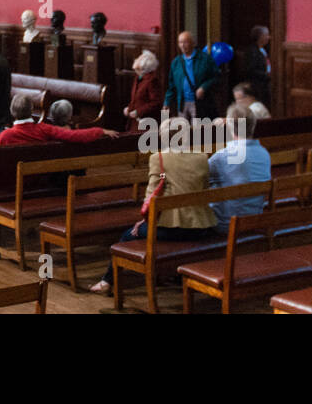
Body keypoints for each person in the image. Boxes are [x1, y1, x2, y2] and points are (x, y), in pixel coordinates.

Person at [90, 116, 217, 294]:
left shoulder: (159, 158)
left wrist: (143, 221)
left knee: (127, 236)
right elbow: (203, 189)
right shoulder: (202, 157)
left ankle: (106, 282)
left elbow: (151, 196)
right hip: (200, 226)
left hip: (174, 228)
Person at [0, 97, 115, 193]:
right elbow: (75, 136)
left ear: (12, 112)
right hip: (33, 182)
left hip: (6, 185)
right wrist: (100, 131)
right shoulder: (44, 129)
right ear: (31, 111)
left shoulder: (6, 136)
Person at [208, 104, 271, 225]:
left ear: (229, 128)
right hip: (255, 219)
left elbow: (198, 180)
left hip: (225, 223)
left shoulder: (222, 157)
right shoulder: (264, 153)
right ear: (253, 125)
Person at [163, 31, 219, 120]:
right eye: (180, 42)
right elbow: (171, 86)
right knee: (183, 130)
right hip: (182, 103)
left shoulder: (205, 59)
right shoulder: (176, 62)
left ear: (193, 43)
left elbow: (216, 77)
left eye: (185, 42)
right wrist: (167, 103)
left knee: (197, 131)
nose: (182, 45)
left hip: (199, 103)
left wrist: (203, 87)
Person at [123, 49, 164, 128]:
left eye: (139, 58)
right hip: (134, 122)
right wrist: (129, 109)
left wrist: (138, 112)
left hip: (146, 124)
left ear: (145, 63)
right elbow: (136, 99)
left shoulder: (152, 80)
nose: (136, 59)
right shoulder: (138, 77)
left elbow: (156, 103)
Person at [243, 25, 273, 108]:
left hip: (265, 84)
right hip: (257, 85)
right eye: (267, 35)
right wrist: (266, 75)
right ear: (260, 37)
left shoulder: (263, 49)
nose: (269, 37)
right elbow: (250, 70)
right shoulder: (252, 51)